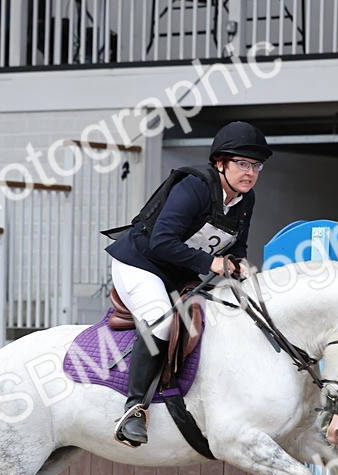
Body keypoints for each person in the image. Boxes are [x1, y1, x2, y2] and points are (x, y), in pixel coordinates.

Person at [104, 120, 272, 446]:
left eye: (256, 165)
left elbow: (236, 247)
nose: (250, 172)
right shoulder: (195, 186)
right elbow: (162, 241)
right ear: (220, 164)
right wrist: (212, 263)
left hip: (180, 271)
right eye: (241, 163)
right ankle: (134, 409)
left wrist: (241, 266)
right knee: (162, 322)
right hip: (141, 263)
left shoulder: (245, 200)